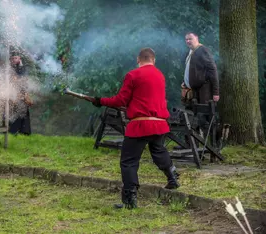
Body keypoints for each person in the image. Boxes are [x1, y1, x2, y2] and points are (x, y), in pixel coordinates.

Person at [91, 48, 180, 209]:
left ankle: (130, 200)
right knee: (159, 151)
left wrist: (100, 101)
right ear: (153, 60)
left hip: (140, 125)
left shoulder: (133, 75)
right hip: (159, 123)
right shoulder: (160, 75)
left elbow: (120, 100)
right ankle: (172, 176)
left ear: (138, 60)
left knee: (129, 161)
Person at [181, 32, 219, 104]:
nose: (188, 41)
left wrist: (215, 92)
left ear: (196, 38)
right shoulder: (190, 51)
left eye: (190, 39)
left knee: (203, 113)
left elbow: (213, 70)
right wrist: (185, 81)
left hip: (203, 91)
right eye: (186, 39)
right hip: (193, 90)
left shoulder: (203, 50)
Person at [8, 52, 33, 135]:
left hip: (21, 91)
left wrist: (25, 94)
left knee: (23, 111)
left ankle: (24, 131)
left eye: (15, 58)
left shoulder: (23, 68)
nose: (14, 60)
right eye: (12, 58)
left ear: (19, 58)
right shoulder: (10, 68)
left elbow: (25, 80)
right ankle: (13, 131)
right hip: (13, 92)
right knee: (14, 111)